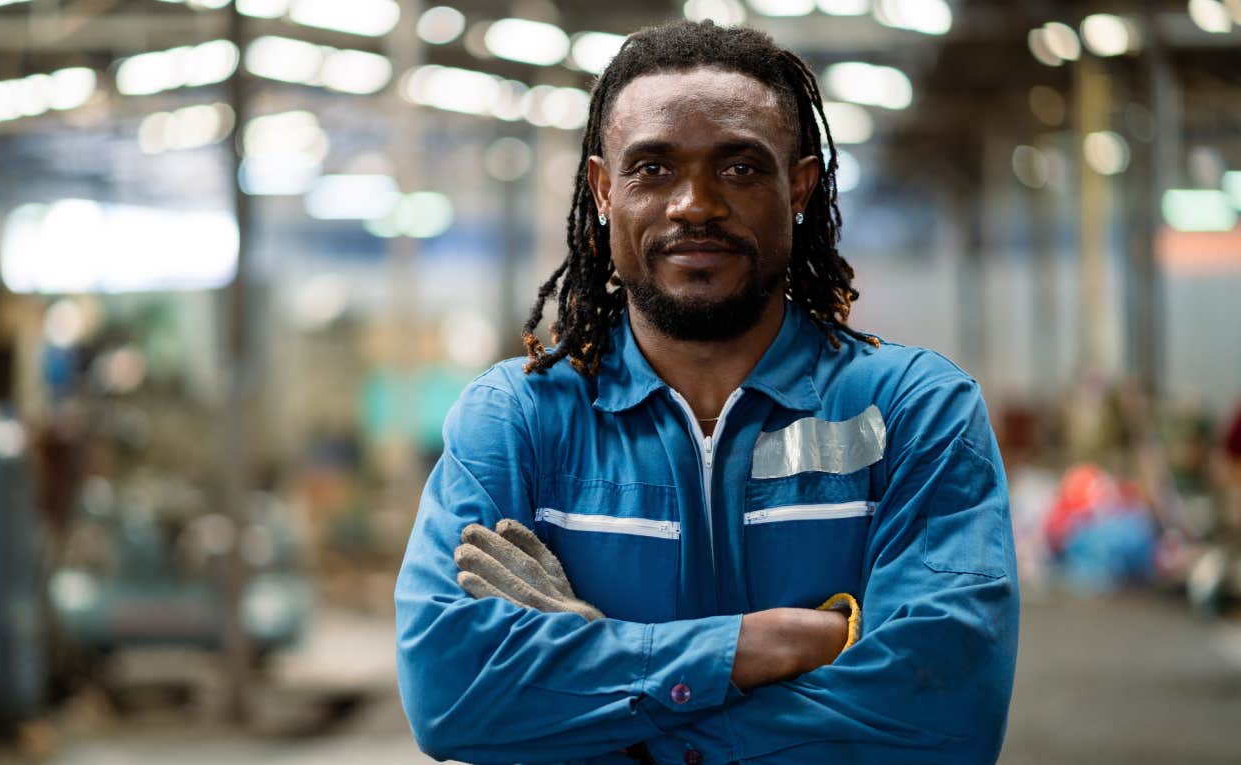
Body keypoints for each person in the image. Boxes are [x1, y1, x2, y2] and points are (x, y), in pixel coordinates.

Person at [395, 20, 1018, 765]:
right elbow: (454, 692)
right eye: (653, 169)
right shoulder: (519, 421)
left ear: (800, 187)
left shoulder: (917, 410)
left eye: (740, 169)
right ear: (603, 190)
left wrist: (604, 677)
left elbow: (942, 711)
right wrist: (761, 645)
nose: (694, 204)